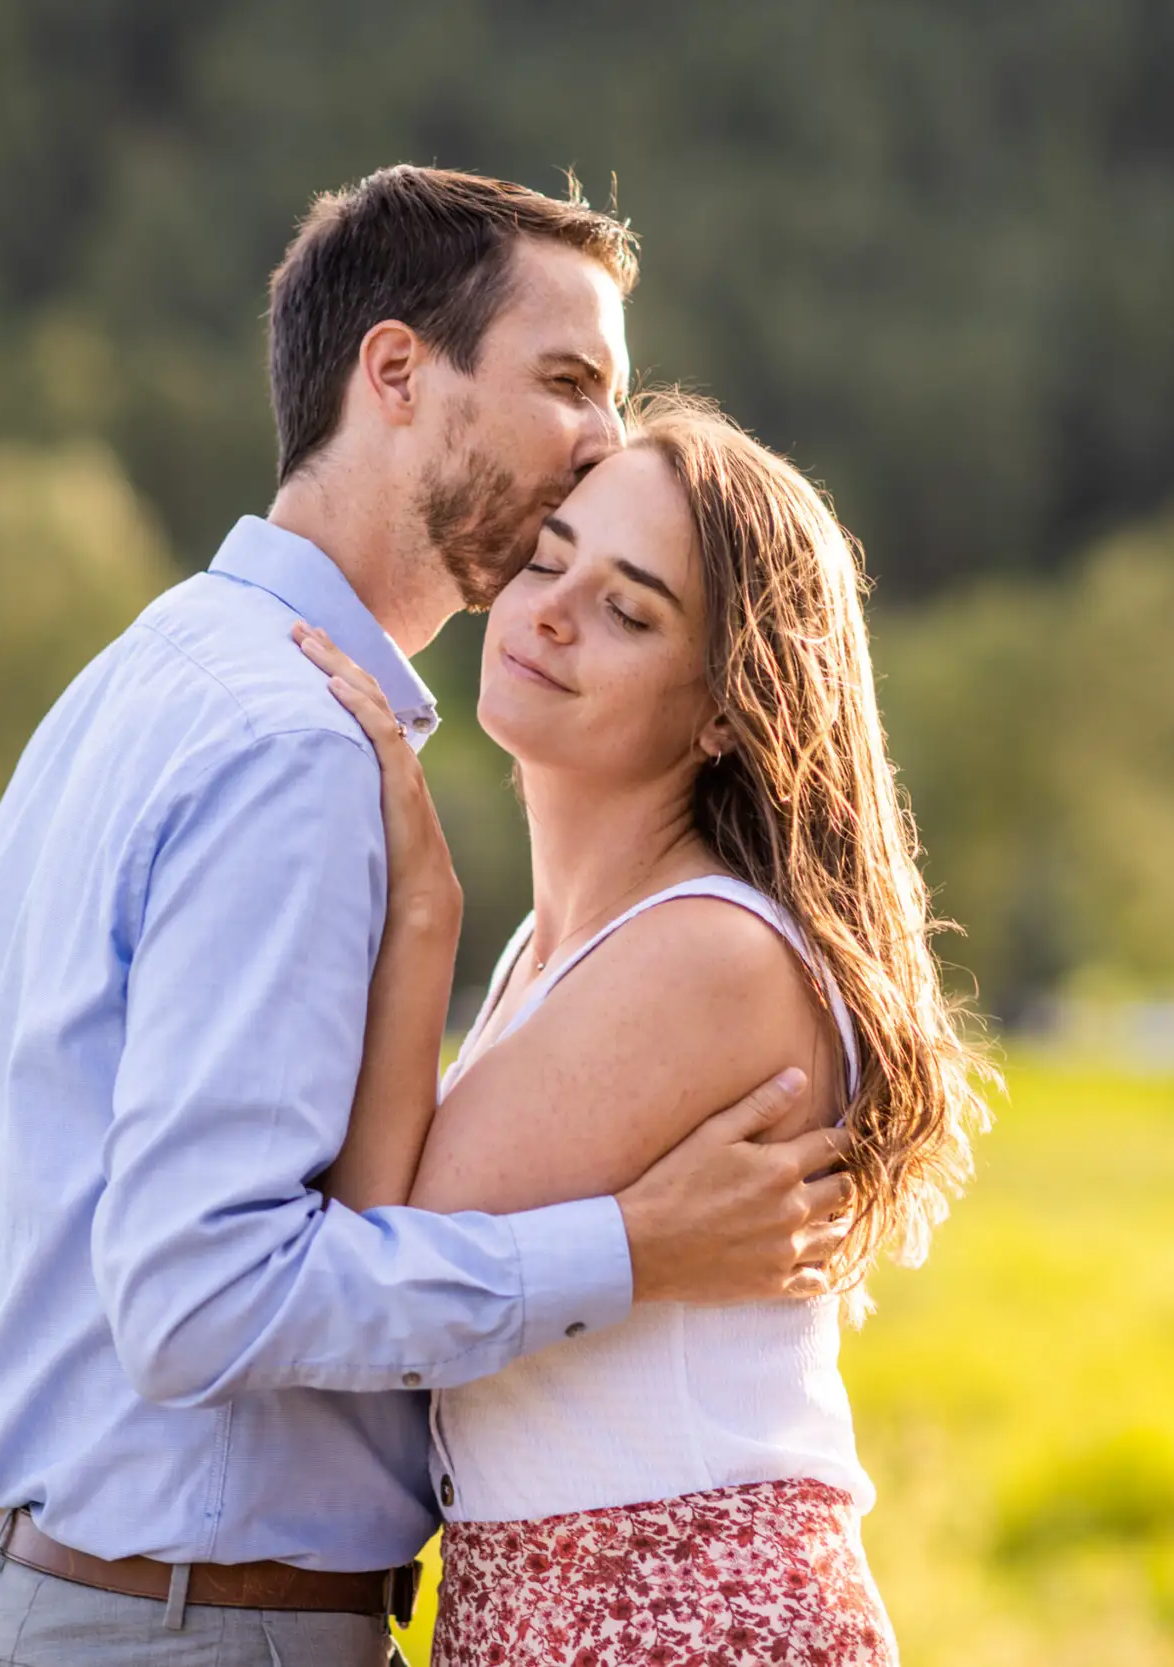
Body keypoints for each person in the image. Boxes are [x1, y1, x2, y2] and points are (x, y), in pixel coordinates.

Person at [0, 167, 856, 1667]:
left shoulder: (142, 678)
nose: (607, 443)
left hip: (68, 1591)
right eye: (569, 382)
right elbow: (204, 1292)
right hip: (193, 1621)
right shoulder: (292, 744)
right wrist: (631, 1244)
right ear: (400, 375)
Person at [298, 390, 989, 1664]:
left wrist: (418, 904)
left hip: (679, 1604)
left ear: (727, 706)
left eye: (628, 607)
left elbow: (383, 1266)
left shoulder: (710, 951)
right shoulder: (555, 946)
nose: (552, 610)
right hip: (558, 1601)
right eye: (547, 559)